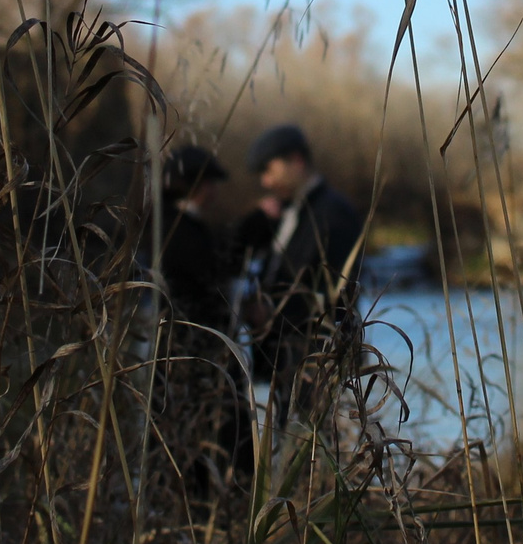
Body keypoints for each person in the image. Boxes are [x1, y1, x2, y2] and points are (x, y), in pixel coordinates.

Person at [237, 124, 366, 431]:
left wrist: (270, 309)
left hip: (319, 361)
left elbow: (336, 291)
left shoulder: (334, 214)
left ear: (295, 161)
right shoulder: (286, 212)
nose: (265, 182)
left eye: (269, 171)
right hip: (287, 360)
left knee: (315, 450)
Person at [147, 144, 253, 496]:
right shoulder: (181, 232)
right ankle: (221, 511)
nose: (213, 191)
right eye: (209, 183)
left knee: (176, 445)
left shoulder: (159, 226)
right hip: (200, 358)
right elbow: (210, 281)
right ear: (193, 184)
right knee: (215, 440)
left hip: (171, 358)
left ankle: (184, 515)